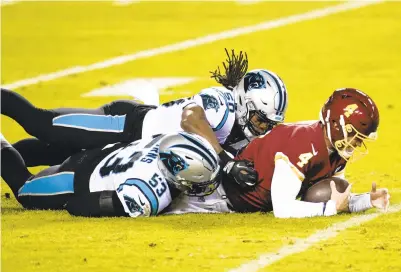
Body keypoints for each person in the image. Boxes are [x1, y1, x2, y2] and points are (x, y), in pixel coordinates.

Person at [1, 50, 288, 188]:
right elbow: (191, 120)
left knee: (53, 153)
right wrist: (226, 162)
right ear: (243, 102)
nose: (263, 127)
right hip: (124, 126)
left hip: (134, 153)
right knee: (41, 124)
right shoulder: (222, 103)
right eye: (261, 119)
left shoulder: (243, 134)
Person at [164, 88, 390, 218]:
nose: (356, 144)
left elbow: (337, 197)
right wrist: (329, 209)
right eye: (355, 136)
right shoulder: (302, 144)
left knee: (336, 187)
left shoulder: (336, 146)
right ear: (337, 124)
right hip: (210, 194)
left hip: (236, 197)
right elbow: (283, 209)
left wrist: (367, 201)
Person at [0, 132, 223, 217]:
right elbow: (82, 206)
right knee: (24, 189)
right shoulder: (151, 193)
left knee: (50, 152)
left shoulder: (170, 139)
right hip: (79, 177)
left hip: (103, 151)